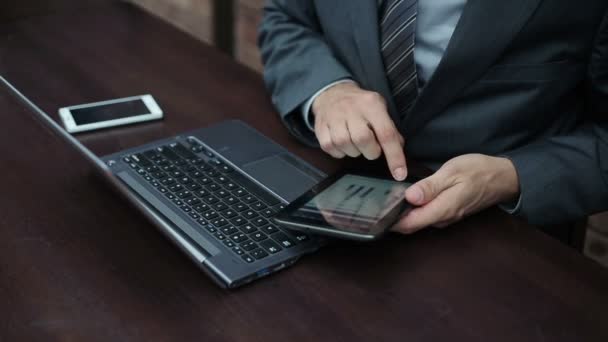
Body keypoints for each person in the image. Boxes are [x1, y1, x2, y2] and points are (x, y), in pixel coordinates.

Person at [258, 0, 608, 235]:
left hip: (503, 239)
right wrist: (328, 90)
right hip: (330, 186)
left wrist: (510, 177)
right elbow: (286, 17)